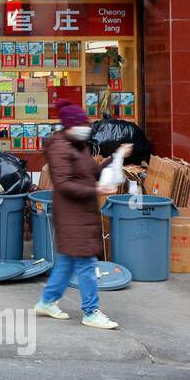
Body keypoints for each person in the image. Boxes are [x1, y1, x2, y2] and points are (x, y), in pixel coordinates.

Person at [34, 102, 131, 330]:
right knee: (87, 262)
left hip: (83, 212)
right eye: (81, 124)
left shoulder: (80, 146)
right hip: (71, 213)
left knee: (68, 261)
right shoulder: (59, 147)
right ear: (69, 126)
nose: (85, 127)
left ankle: (47, 301)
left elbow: (94, 172)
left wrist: (116, 158)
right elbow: (64, 184)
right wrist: (96, 190)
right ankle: (90, 311)